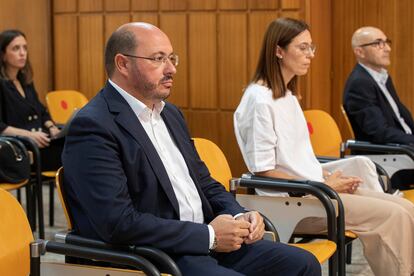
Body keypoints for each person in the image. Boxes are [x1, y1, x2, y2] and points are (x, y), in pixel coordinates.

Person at [61, 22, 320, 275]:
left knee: (303, 263)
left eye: (172, 58)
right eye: (158, 59)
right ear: (123, 64)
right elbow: (117, 222)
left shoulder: (170, 114)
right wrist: (208, 236)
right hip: (157, 254)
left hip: (207, 241)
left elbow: (204, 183)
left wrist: (240, 214)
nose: (171, 68)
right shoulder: (93, 125)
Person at [234, 18, 414, 276]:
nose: (310, 55)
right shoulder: (259, 100)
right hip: (292, 201)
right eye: (303, 48)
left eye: (312, 47)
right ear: (278, 50)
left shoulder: (286, 94)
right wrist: (325, 185)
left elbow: (298, 160)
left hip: (313, 191)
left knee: (406, 208)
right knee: (392, 217)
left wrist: (330, 177)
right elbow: (263, 171)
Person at [0, 29, 63, 171]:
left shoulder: (26, 81)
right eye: (16, 48)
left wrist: (52, 128)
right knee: (73, 154)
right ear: (3, 55)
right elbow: (1, 127)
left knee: (74, 141)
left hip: (39, 141)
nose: (22, 53)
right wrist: (30, 135)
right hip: (20, 147)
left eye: (25, 48)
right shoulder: (1, 85)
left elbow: (41, 111)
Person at [343, 26, 414, 145]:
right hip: (387, 153)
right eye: (378, 43)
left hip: (404, 147)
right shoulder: (359, 83)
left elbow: (400, 118)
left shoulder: (383, 77)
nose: (388, 48)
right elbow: (379, 132)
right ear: (360, 52)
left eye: (386, 43)